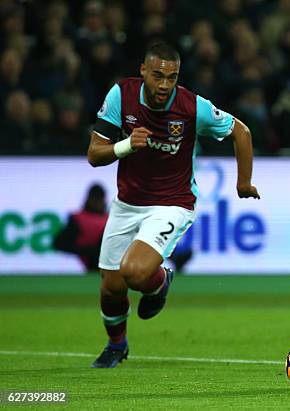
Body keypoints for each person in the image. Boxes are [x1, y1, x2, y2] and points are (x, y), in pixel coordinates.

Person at [87, 42, 260, 368]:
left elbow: (242, 132)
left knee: (135, 273)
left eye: (172, 77)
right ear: (143, 72)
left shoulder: (192, 106)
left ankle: (159, 281)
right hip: (127, 203)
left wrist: (243, 182)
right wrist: (125, 145)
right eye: (157, 76)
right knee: (111, 287)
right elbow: (95, 154)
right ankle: (116, 345)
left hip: (172, 203)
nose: (164, 85)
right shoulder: (120, 96)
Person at [53, 183, 108, 271]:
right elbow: (59, 243)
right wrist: (85, 250)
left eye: (99, 199)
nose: (97, 203)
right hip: (85, 266)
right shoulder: (78, 219)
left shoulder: (110, 220)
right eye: (95, 199)